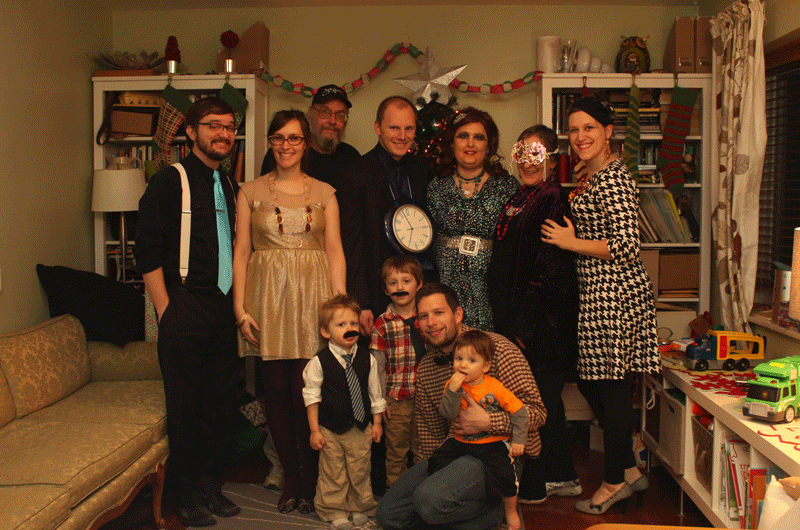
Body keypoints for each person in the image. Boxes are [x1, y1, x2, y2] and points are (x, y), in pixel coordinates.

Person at [542, 95, 660, 514]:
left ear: (608, 131)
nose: (580, 136)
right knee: (594, 382)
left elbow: (626, 245)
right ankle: (627, 469)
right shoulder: (595, 174)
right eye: (574, 129)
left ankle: (613, 482)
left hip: (615, 294)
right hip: (596, 292)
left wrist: (570, 242)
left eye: (589, 127)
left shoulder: (613, 178)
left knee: (610, 389)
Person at [135, 97, 242, 526]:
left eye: (229, 127)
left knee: (220, 404)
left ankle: (210, 487)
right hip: (184, 305)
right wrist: (167, 311)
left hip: (222, 307)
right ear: (192, 132)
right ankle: (184, 495)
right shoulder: (168, 180)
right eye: (213, 125)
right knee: (186, 408)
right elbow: (146, 249)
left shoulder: (229, 184)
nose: (223, 133)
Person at [232, 109, 346, 514]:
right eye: (278, 137)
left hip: (313, 299)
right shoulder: (248, 191)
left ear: (306, 142)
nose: (286, 145)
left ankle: (310, 478)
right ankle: (291, 480)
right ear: (270, 142)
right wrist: (239, 309)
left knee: (306, 392)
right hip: (266, 299)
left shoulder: (325, 192)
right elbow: (241, 252)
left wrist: (340, 308)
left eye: (294, 137)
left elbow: (334, 250)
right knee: (275, 391)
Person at [376, 283, 546, 530]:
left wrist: (488, 422)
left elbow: (537, 412)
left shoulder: (497, 348)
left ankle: (496, 510)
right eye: (423, 316)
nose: (431, 322)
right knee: (388, 514)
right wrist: (427, 475)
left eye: (439, 313)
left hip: (501, 454)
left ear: (457, 315)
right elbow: (430, 434)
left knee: (428, 503)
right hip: (455, 450)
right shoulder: (427, 368)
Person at [487, 125, 581, 504]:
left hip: (543, 326)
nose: (527, 162)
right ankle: (564, 475)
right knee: (548, 401)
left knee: (537, 403)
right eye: (521, 152)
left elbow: (551, 269)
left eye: (536, 154)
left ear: (553, 160)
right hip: (518, 318)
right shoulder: (522, 195)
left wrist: (524, 326)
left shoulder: (553, 199)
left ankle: (535, 485)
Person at [337, 96, 435, 337]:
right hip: (376, 293)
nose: (402, 136)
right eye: (394, 128)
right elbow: (352, 245)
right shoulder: (355, 174)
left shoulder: (424, 170)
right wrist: (361, 302)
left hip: (421, 291)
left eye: (409, 128)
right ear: (378, 127)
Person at [427, 330, 528, 530]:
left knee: (505, 475)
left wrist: (519, 440)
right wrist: (452, 390)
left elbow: (520, 412)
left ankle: (510, 511)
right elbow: (447, 413)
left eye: (471, 360)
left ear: (486, 366)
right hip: (461, 441)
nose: (463, 365)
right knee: (436, 461)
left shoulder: (494, 387)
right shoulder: (452, 385)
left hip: (491, 443)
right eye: (459, 359)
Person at [428, 107, 517, 331]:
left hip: (490, 292)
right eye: (463, 136)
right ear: (452, 143)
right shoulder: (436, 187)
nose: (470, 144)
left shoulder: (506, 187)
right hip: (445, 290)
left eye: (478, 137)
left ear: (489, 145)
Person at [302, 294, 386, 530]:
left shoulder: (367, 359)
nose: (349, 329)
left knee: (360, 470)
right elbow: (311, 397)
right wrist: (314, 430)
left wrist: (377, 423)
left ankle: (361, 507)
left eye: (353, 323)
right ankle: (333, 509)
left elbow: (375, 393)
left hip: (361, 426)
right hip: (330, 428)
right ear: (325, 332)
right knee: (333, 471)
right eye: (341, 324)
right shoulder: (319, 362)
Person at [370, 255, 426, 488]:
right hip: (396, 399)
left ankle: (422, 495)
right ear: (385, 289)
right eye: (393, 283)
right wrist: (380, 401)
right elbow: (377, 366)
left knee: (423, 450)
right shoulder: (382, 323)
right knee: (396, 451)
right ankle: (396, 495)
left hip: (425, 398)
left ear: (419, 284)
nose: (400, 287)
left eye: (406, 281)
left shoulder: (426, 318)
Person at [260, 84, 360, 186]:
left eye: (340, 115)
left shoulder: (352, 157)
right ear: (310, 113)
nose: (332, 121)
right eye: (325, 112)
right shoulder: (284, 154)